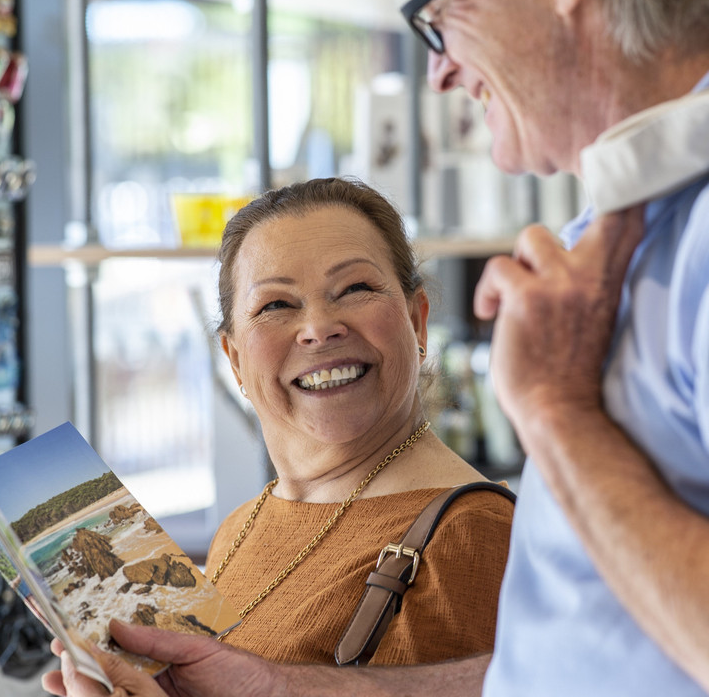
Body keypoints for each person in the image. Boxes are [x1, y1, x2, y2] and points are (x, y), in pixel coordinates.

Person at [43, 0, 709, 696]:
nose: (439, 66)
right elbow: (575, 664)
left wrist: (561, 412)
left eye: (438, 8)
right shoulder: (645, 226)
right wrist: (280, 685)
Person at [42, 177, 514, 691]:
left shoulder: (474, 531)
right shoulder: (240, 528)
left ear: (417, 322)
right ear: (235, 359)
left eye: (355, 289)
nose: (318, 327)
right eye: (275, 305)